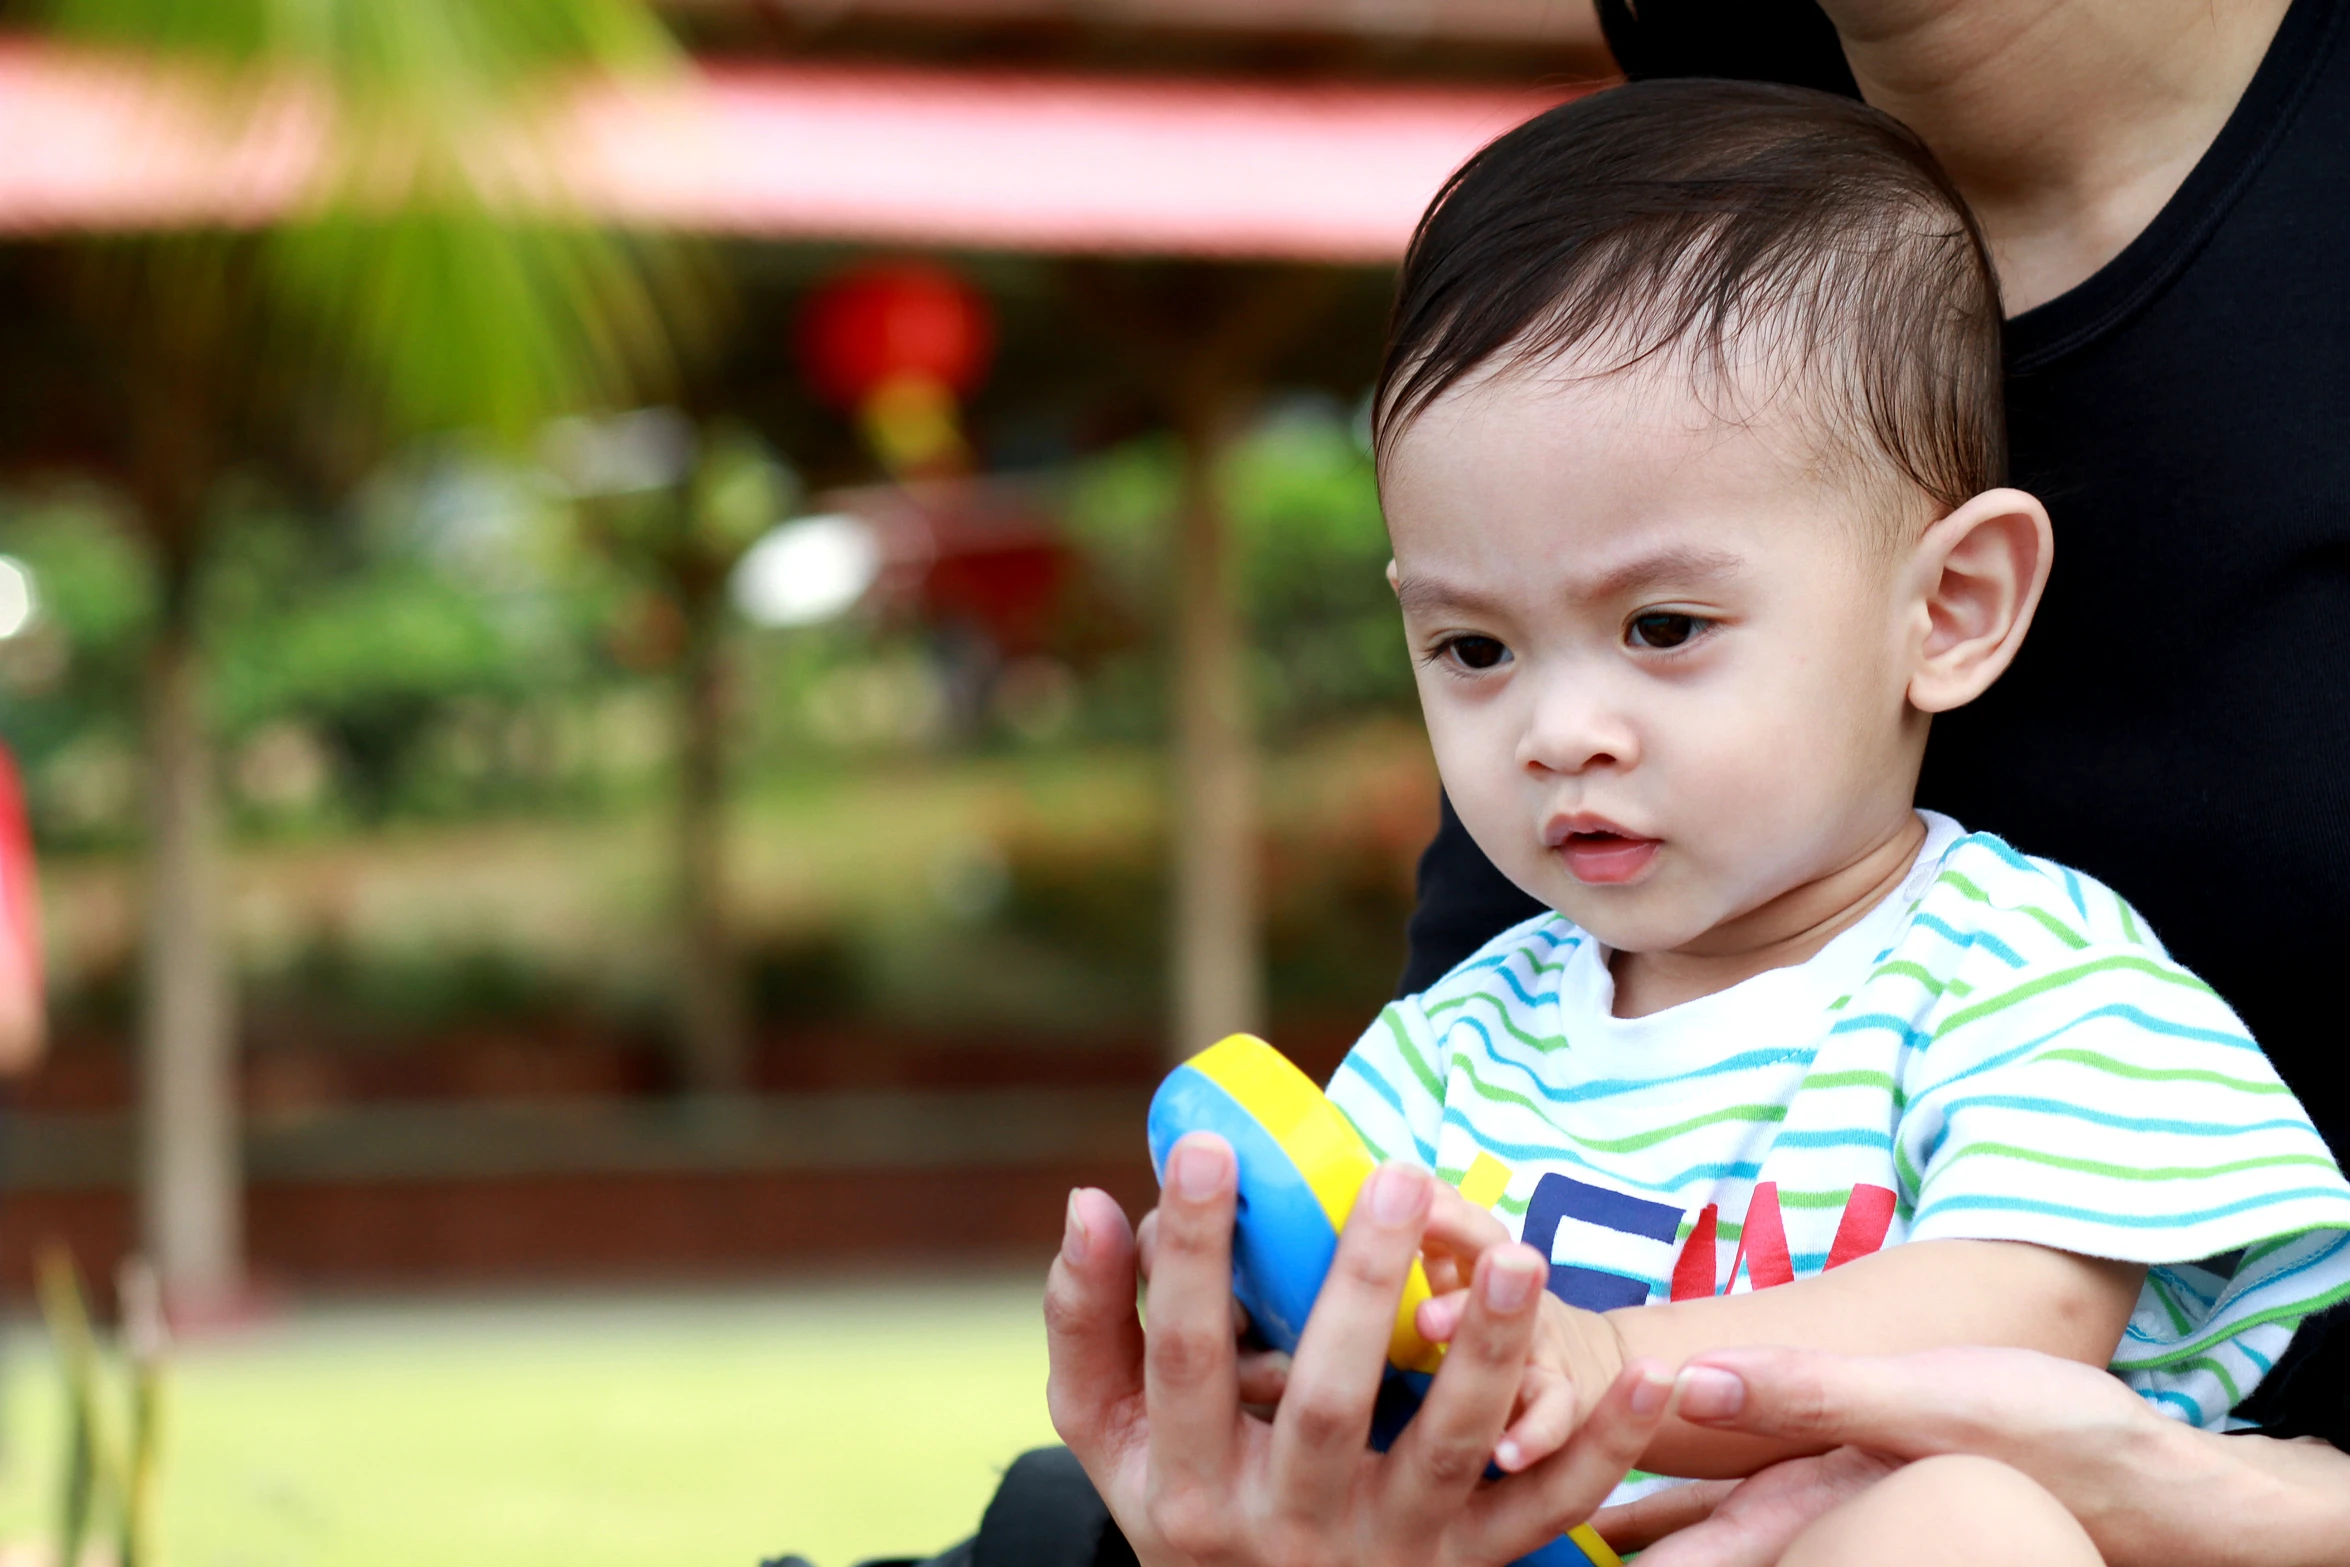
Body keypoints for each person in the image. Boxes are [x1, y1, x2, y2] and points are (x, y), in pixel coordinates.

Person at [1042, 77, 2350, 1567]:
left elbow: (2018, 1312)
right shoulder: (1452, 1048)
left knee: (1962, 1511)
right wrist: (1267, 1359)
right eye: (1474, 649)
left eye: (1660, 625)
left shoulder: (2028, 974)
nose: (1556, 730)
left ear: (1947, 608)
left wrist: (1606, 1367)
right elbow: (1359, 1364)